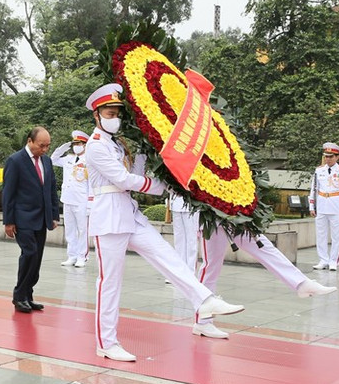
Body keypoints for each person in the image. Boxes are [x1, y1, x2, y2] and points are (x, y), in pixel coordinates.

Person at [83, 83, 244, 362]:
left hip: (129, 213)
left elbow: (132, 173)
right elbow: (122, 181)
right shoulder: (95, 147)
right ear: (96, 116)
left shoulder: (117, 144)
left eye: (117, 113)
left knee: (167, 255)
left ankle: (204, 300)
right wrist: (161, 186)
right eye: (109, 113)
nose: (115, 118)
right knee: (110, 283)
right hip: (108, 217)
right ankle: (106, 343)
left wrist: (147, 151)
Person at [194, 229, 337, 338]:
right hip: (213, 218)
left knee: (264, 246)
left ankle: (301, 283)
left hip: (235, 212)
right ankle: (202, 322)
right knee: (211, 266)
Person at [2, 127, 59, 313]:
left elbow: (51, 190)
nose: (44, 149)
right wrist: (8, 221)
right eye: (41, 145)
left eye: (47, 146)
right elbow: (8, 193)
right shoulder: (15, 161)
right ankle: (19, 296)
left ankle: (28, 294)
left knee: (37, 258)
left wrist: (54, 215)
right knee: (30, 253)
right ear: (30, 141)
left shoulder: (47, 161)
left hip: (42, 219)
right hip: (22, 218)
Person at [50, 130, 91, 267]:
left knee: (82, 230)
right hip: (67, 199)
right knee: (70, 229)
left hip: (82, 200)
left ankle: (82, 257)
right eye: (74, 144)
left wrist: (91, 203)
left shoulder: (89, 160)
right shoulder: (68, 159)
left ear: (85, 145)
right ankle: (72, 256)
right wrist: (63, 147)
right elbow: (52, 160)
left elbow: (91, 183)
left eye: (79, 143)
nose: (76, 146)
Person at [309, 143, 339, 271]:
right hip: (321, 204)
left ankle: (333, 261)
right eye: (326, 156)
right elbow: (314, 188)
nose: (328, 159)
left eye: (331, 156)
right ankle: (323, 259)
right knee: (321, 234)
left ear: (337, 157)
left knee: (336, 236)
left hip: (336, 204)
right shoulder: (319, 170)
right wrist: (311, 205)